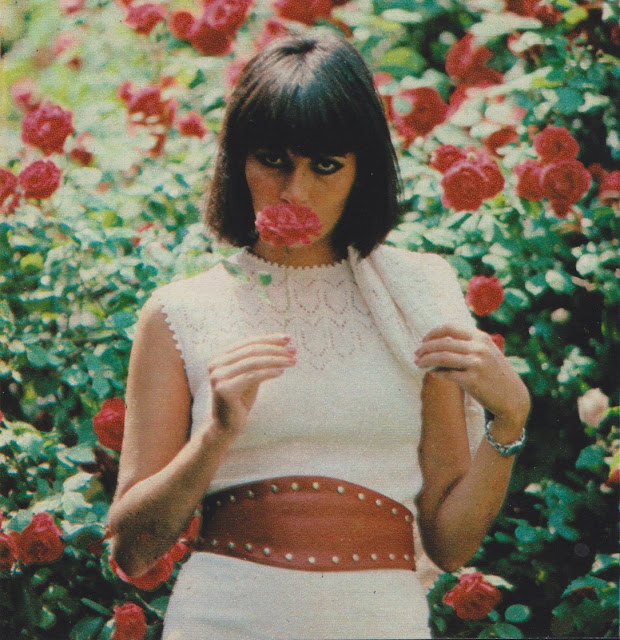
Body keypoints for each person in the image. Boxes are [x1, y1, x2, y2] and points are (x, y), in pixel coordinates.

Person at [107, 32, 531, 639]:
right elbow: (131, 550)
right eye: (272, 161)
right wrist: (213, 437)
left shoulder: (417, 294)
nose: (295, 191)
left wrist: (510, 420)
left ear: (363, 170)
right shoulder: (180, 311)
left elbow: (450, 545)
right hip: (223, 619)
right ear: (237, 162)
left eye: (325, 166)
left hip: (380, 621)